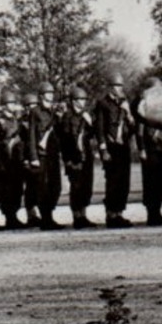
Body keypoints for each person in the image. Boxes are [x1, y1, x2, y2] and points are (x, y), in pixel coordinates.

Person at [93, 73, 135, 228]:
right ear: (110, 87)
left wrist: (128, 112)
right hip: (111, 148)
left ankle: (119, 213)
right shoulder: (103, 104)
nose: (120, 89)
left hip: (123, 147)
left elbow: (132, 128)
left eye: (121, 86)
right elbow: (99, 129)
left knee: (124, 182)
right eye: (117, 86)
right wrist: (103, 149)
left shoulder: (124, 104)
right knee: (113, 181)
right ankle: (111, 214)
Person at [60, 84, 100, 228]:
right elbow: (65, 139)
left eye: (84, 99)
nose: (82, 102)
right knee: (76, 187)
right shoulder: (67, 117)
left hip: (86, 156)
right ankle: (77, 216)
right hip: (74, 157)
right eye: (79, 99)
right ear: (73, 101)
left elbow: (94, 134)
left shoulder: (85, 116)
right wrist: (68, 160)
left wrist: (89, 121)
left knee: (86, 187)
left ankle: (83, 214)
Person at [23, 85, 63, 230]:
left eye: (52, 93)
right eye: (47, 93)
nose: (50, 95)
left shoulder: (54, 112)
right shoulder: (35, 112)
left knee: (56, 187)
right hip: (41, 154)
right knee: (42, 188)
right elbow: (32, 134)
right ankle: (46, 218)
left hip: (53, 154)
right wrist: (33, 156)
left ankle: (49, 213)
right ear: (41, 95)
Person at [0, 92, 26, 229]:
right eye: (9, 104)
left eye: (12, 103)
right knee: (7, 189)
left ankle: (14, 215)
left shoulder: (15, 119)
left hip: (15, 158)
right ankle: (9, 216)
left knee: (17, 188)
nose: (11, 106)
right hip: (4, 158)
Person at [138, 121, 162, 226]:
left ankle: (157, 212)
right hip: (150, 150)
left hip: (161, 149)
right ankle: (152, 214)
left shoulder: (160, 115)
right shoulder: (143, 114)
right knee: (151, 182)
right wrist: (142, 148)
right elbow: (139, 132)